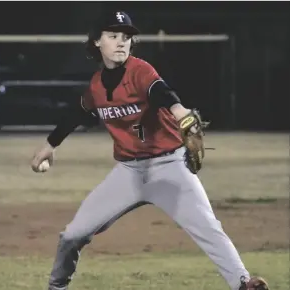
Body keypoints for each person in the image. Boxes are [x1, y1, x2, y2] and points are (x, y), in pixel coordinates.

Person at [31, 11, 269, 290]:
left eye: (127, 37)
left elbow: (161, 92)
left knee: (208, 228)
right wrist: (50, 145)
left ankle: (243, 284)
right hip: (128, 173)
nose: (121, 42)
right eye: (113, 36)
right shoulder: (96, 86)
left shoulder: (140, 71)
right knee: (72, 236)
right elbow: (76, 113)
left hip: (170, 167)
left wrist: (180, 112)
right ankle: (56, 288)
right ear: (97, 42)